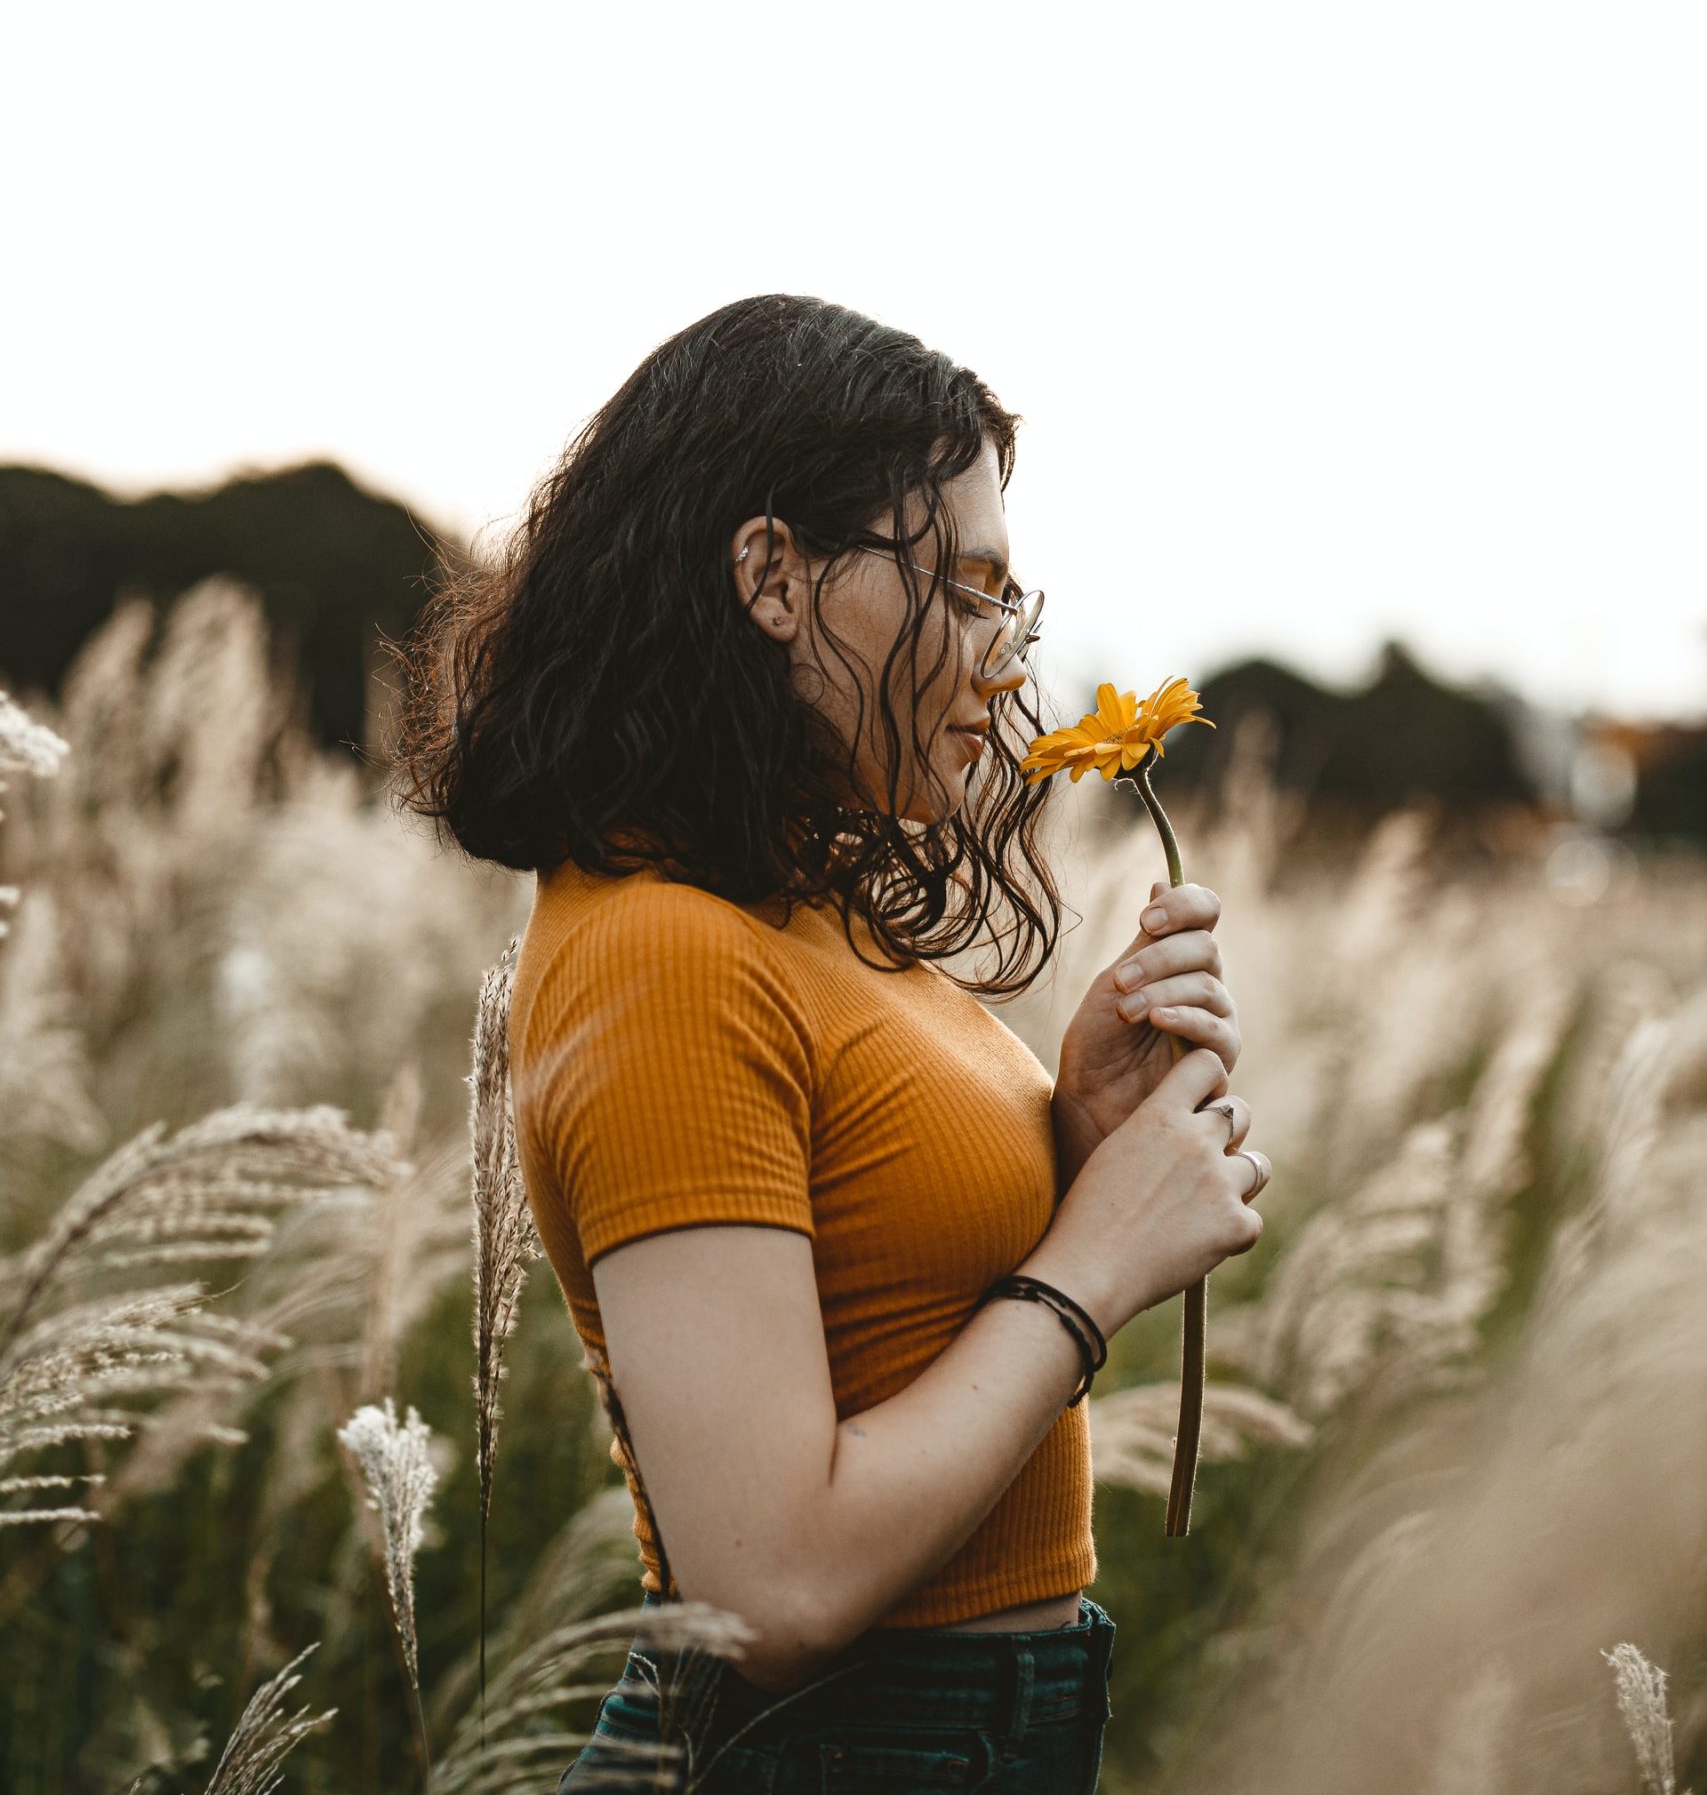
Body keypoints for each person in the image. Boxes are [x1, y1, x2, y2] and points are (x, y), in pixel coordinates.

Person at [393, 293, 1269, 1792]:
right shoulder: (662, 952)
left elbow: (875, 1295)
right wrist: (1095, 1269)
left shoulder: (785, 907)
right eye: (972, 588)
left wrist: (1075, 1135)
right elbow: (771, 1585)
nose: (1008, 660)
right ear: (773, 575)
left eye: (1014, 605)